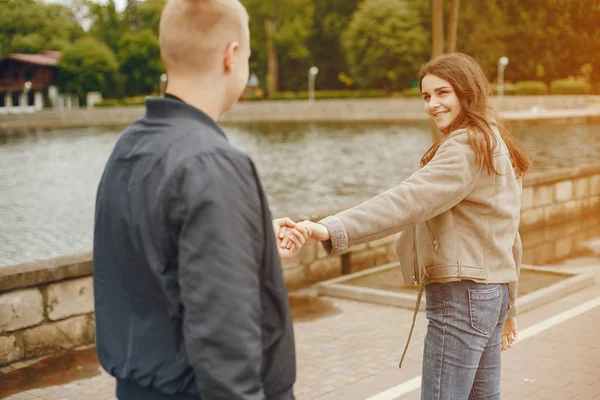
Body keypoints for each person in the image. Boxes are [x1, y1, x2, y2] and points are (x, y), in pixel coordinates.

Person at [280, 53, 530, 399]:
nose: (433, 104)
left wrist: (328, 229)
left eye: (443, 93)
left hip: (462, 297)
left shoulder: (466, 145)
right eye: (426, 96)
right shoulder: (492, 140)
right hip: (490, 295)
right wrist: (509, 308)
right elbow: (509, 236)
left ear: (467, 91)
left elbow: (406, 201)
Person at [92, 1, 307, 399]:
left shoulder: (128, 147)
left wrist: (252, 239)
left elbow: (156, 261)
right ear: (232, 55)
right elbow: (224, 338)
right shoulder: (213, 164)